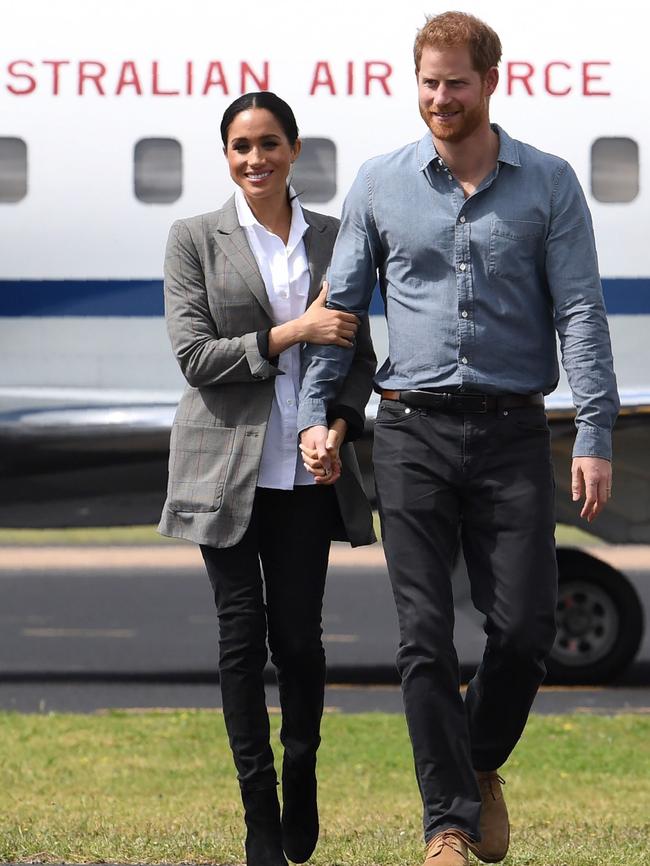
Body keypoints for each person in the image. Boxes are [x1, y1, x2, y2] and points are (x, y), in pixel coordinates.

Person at [298, 11, 619, 866]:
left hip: (515, 432)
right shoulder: (380, 182)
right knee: (423, 636)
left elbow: (582, 312)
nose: (440, 98)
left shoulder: (548, 184)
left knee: (523, 629)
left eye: (456, 83)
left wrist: (595, 429)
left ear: (490, 83)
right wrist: (318, 418)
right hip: (411, 430)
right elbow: (341, 313)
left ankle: (478, 766)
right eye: (428, 83)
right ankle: (446, 824)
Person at [158, 91, 376, 866]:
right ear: (227, 156)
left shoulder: (332, 237)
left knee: (301, 640)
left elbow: (360, 357)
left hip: (306, 473)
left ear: (294, 150)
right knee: (241, 640)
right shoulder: (193, 238)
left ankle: (303, 770)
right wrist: (294, 331)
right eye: (241, 146)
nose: (256, 159)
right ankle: (258, 811)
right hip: (223, 471)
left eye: (269, 144)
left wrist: (340, 425)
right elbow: (195, 358)